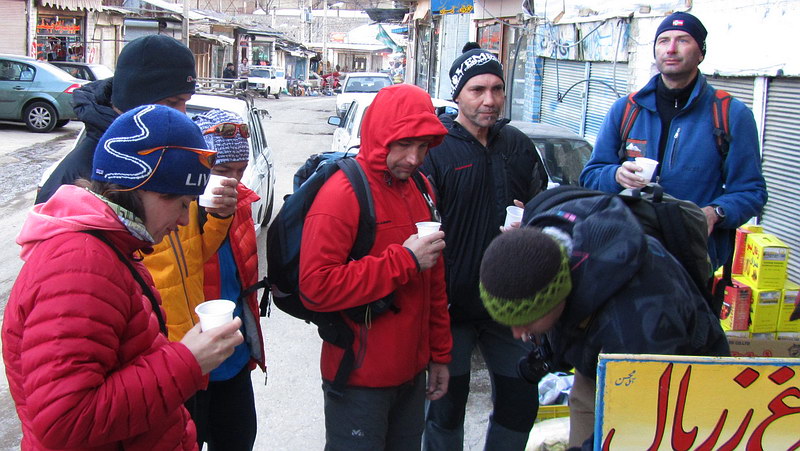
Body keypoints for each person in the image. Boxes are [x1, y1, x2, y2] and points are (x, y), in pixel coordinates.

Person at [2, 104, 244, 449]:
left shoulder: (111, 245)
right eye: (181, 203)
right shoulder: (80, 264)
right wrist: (186, 362)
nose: (183, 221)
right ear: (141, 187)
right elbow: (65, 421)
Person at [478, 193, 730, 449]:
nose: (517, 333)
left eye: (527, 321)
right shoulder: (549, 234)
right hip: (597, 354)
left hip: (676, 385)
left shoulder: (637, 323)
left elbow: (636, 427)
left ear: (556, 299)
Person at [298, 83, 452, 450]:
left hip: (411, 375)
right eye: (404, 144)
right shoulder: (343, 193)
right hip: (359, 381)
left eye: (423, 146)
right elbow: (315, 287)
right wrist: (405, 260)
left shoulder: (422, 187)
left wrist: (440, 355)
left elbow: (434, 282)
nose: (414, 158)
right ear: (380, 135)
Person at [420, 43, 547, 450]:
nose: (489, 100)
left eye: (497, 89)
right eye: (477, 90)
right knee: (444, 410)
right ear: (457, 95)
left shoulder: (518, 145)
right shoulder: (435, 149)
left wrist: (532, 223)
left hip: (510, 306)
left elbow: (544, 210)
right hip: (451, 307)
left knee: (520, 403)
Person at [579, 11, 767, 270]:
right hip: (624, 250)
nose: (671, 49)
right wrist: (616, 175)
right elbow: (590, 176)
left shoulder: (730, 114)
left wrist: (716, 213)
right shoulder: (626, 109)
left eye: (683, 40)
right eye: (663, 40)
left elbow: (752, 191)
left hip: (690, 257)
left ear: (701, 53)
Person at [144, 109, 265, 450]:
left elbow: (240, 277)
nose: (233, 181)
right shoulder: (174, 214)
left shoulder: (238, 203)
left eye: (240, 170)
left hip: (232, 353)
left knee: (239, 439)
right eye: (223, 171)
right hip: (187, 356)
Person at [36, 34, 198, 204]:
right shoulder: (75, 182)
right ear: (135, 100)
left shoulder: (151, 154)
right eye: (173, 102)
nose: (182, 114)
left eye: (185, 102)